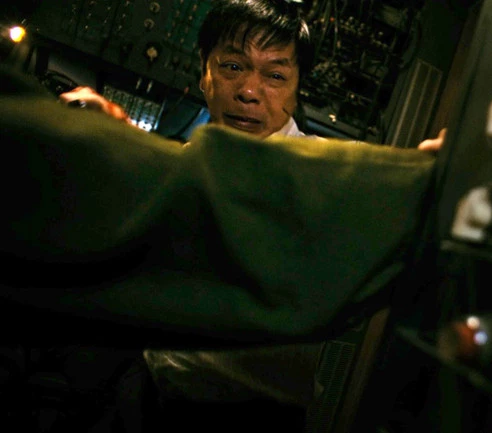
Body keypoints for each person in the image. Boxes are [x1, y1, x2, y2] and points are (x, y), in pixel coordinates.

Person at [55, 1, 445, 431]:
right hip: (151, 390)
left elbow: (385, 194)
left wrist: (430, 172)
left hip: (252, 418)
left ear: (298, 88)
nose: (248, 91)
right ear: (203, 73)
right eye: (233, 67)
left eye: (275, 76)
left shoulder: (322, 172)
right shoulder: (191, 160)